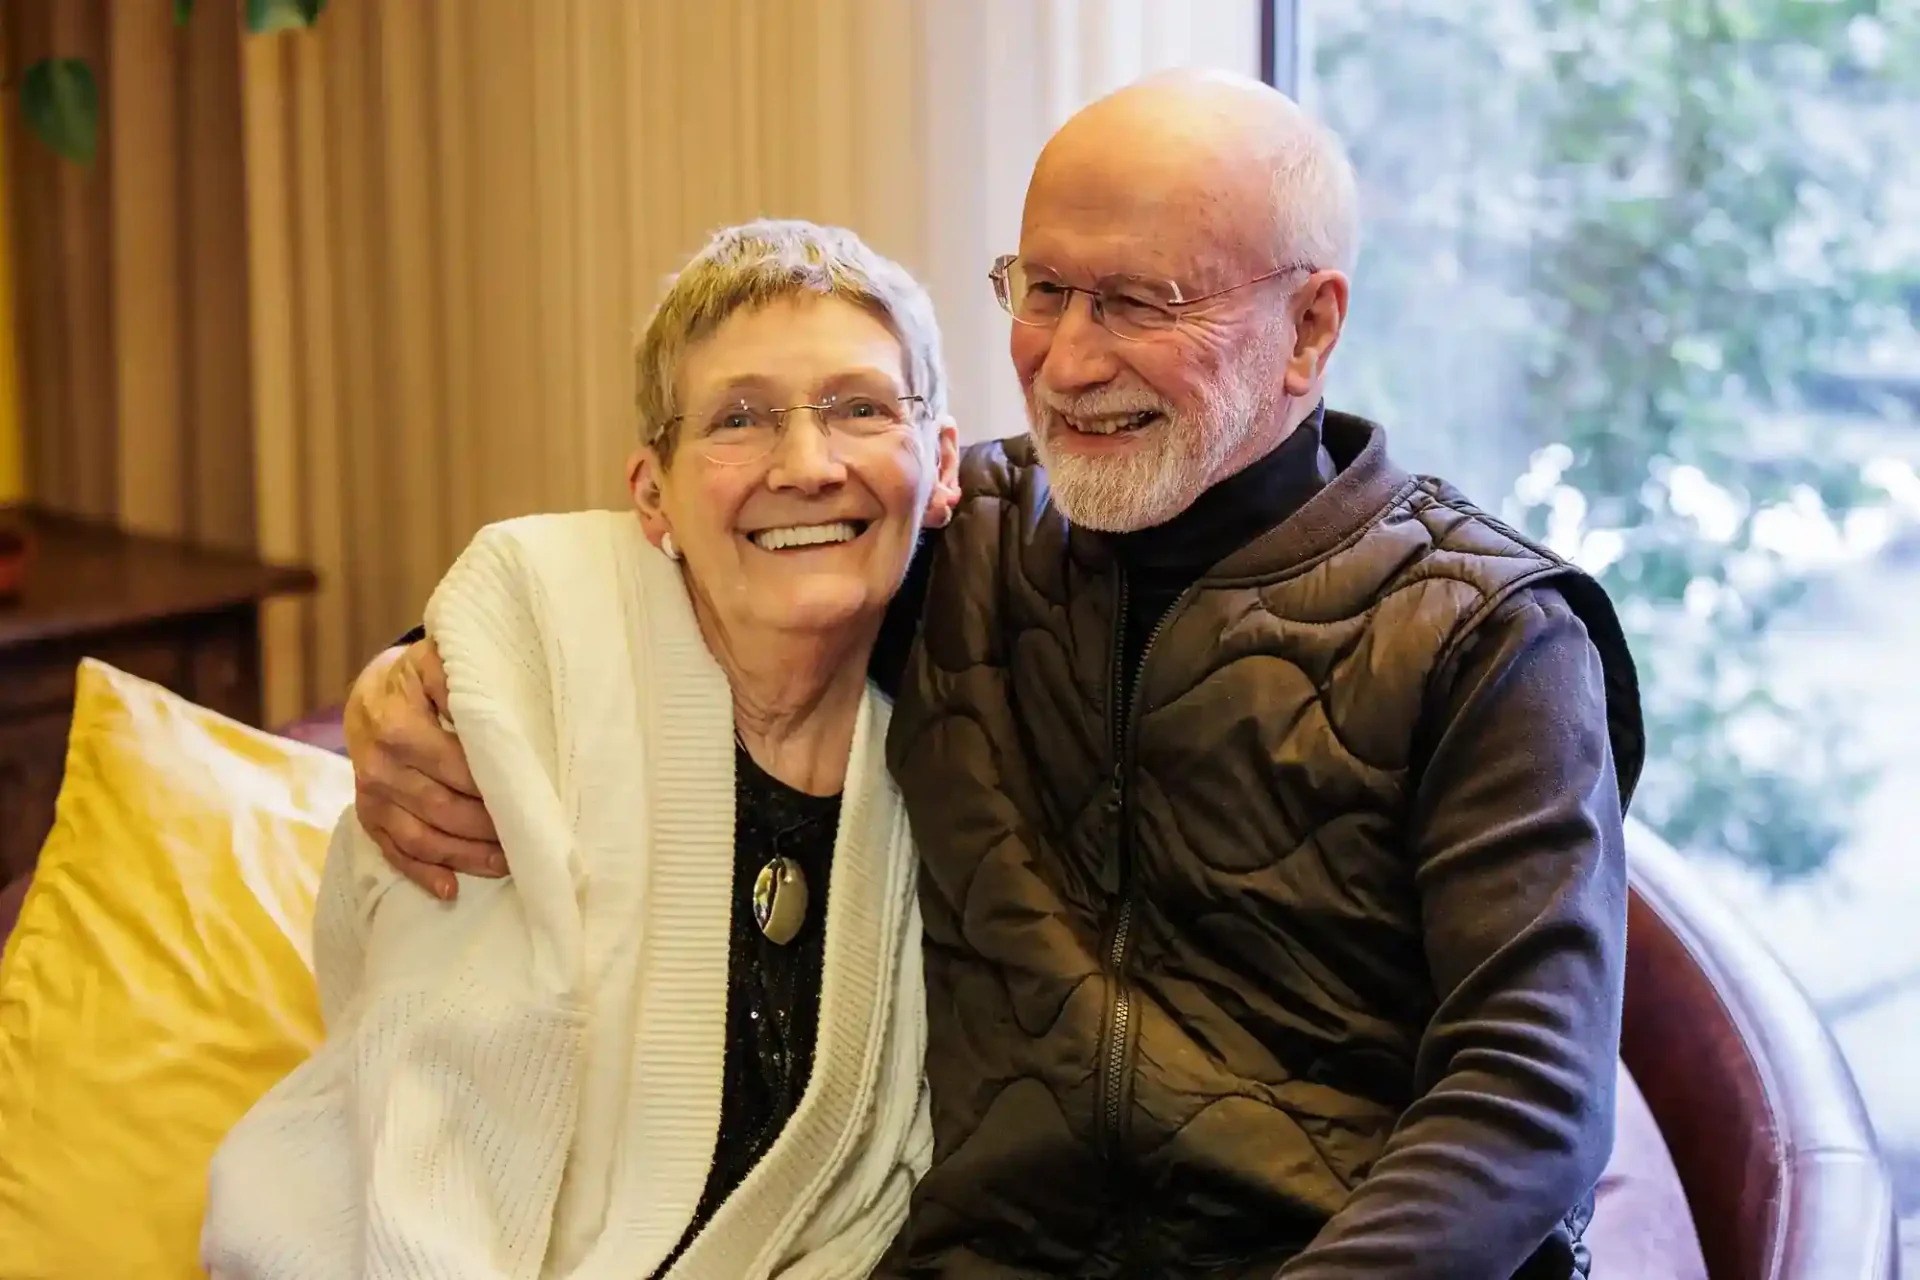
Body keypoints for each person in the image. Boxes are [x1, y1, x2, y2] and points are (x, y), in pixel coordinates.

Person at [346, 72, 1645, 1279]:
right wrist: (418, 672)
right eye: (1041, 290)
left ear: (1309, 329)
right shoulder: (964, 538)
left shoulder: (1486, 635)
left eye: (1138, 303)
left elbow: (1524, 1095)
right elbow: (685, 559)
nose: (1068, 363)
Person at [201, 220, 960, 1280]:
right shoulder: (545, 633)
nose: (807, 463)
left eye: (861, 407)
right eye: (738, 418)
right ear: (652, 491)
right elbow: (435, 1136)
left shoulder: (953, 756)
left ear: (942, 466)